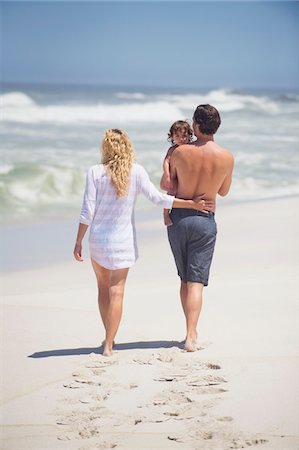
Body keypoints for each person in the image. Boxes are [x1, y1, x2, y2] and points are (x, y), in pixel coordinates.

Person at [73, 128, 214, 357]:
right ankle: (109, 345)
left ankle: (108, 340)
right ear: (128, 147)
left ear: (106, 147)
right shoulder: (136, 172)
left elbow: (87, 211)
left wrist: (78, 241)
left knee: (102, 288)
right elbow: (158, 199)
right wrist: (190, 204)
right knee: (117, 291)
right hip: (123, 242)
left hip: (98, 240)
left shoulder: (95, 172)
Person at [164, 104, 234, 352]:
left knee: (184, 279)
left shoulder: (179, 152)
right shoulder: (226, 156)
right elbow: (223, 192)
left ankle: (189, 331)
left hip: (178, 219)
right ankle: (191, 336)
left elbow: (167, 184)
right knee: (195, 282)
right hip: (205, 219)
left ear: (195, 125)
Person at [160, 120, 193, 226]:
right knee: (171, 193)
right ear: (172, 137)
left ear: (189, 136)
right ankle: (165, 214)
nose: (181, 139)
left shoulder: (191, 148)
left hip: (184, 177)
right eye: (177, 136)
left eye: (184, 136)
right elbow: (166, 162)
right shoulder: (172, 149)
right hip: (173, 177)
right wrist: (167, 176)